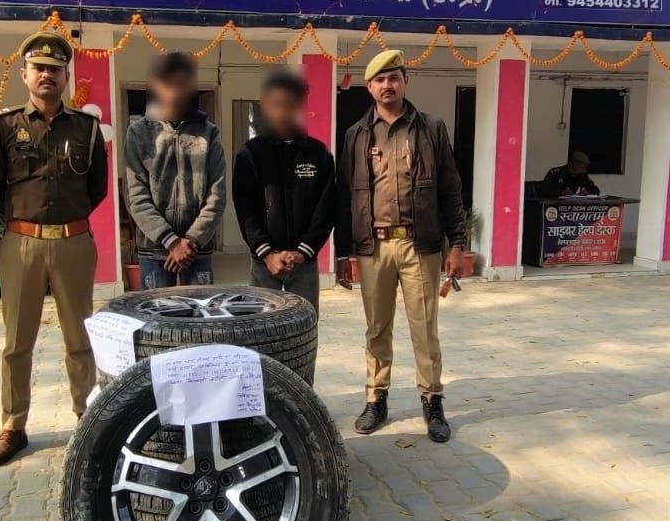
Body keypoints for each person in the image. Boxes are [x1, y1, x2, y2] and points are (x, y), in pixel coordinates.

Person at [0, 31, 108, 466]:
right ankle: (13, 425)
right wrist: (28, 225)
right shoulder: (4, 127)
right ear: (24, 74)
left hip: (73, 243)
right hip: (22, 246)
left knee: (79, 339)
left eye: (55, 69)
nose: (47, 75)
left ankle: (86, 420)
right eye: (39, 68)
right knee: (17, 342)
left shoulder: (86, 128)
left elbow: (96, 188)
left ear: (66, 76)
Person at [336, 50, 466, 443]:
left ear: (405, 81)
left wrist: (457, 243)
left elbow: (450, 189)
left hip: (419, 245)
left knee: (425, 329)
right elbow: (345, 196)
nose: (387, 85)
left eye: (394, 77)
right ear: (369, 87)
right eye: (380, 80)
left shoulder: (431, 128)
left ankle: (432, 401)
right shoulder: (356, 134)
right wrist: (343, 251)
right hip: (373, 248)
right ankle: (376, 399)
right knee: (377, 329)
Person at [233, 69, 336, 313]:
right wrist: (267, 253)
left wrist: (302, 252)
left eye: (290, 104)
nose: (283, 112)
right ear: (263, 106)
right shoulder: (250, 155)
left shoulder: (319, 154)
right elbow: (246, 210)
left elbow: (326, 209)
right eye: (276, 104)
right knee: (261, 326)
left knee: (303, 325)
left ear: (300, 105)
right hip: (263, 263)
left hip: (304, 264)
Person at [124, 52, 226, 287]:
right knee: (157, 311)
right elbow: (135, 196)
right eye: (168, 84)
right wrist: (170, 240)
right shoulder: (139, 133)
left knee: (199, 310)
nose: (175, 92)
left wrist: (191, 240)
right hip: (154, 249)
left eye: (182, 84)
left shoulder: (209, 133)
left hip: (196, 250)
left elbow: (217, 194)